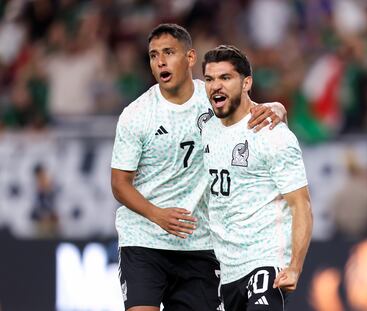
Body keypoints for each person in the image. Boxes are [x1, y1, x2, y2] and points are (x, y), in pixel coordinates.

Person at [110, 24, 286, 311]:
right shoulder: (137, 115)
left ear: (190, 58)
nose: (160, 62)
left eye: (169, 52)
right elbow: (119, 183)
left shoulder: (215, 98)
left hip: (200, 242)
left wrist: (278, 108)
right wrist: (157, 215)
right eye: (154, 55)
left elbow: (260, 109)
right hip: (144, 239)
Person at [201, 45, 313, 311]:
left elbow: (301, 205)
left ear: (246, 82)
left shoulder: (272, 134)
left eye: (226, 78)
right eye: (209, 79)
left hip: (266, 261)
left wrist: (295, 267)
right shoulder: (204, 126)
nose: (216, 86)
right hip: (225, 268)